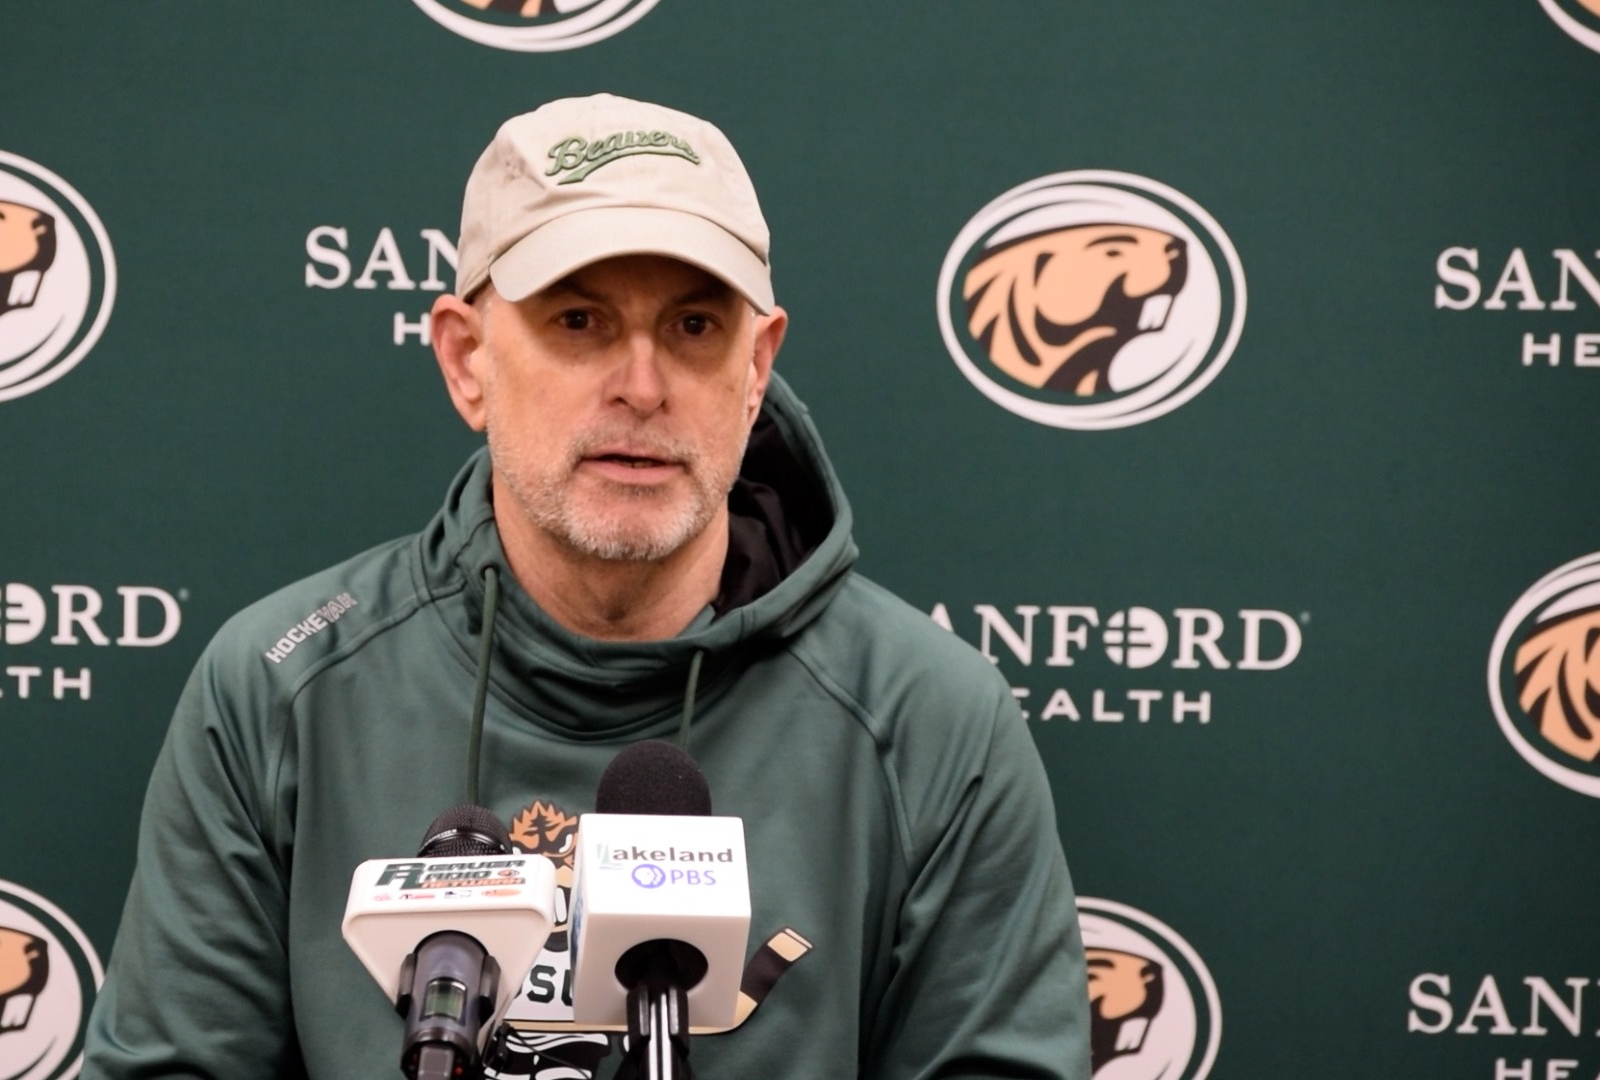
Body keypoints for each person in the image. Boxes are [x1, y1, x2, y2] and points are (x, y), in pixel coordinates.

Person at [81, 93, 1090, 1080]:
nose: (642, 387)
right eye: (579, 320)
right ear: (466, 359)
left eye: (694, 327)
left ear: (757, 368)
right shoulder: (279, 691)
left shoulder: (934, 723)